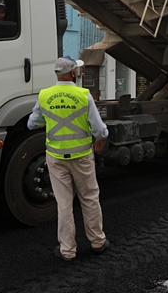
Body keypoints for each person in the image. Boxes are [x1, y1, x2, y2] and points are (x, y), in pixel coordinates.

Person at [27, 56, 110, 261]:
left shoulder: (44, 95)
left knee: (64, 204)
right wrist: (101, 139)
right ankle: (97, 242)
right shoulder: (83, 95)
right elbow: (99, 129)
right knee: (89, 198)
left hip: (56, 157)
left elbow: (31, 124)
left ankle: (67, 250)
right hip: (82, 157)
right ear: (73, 73)